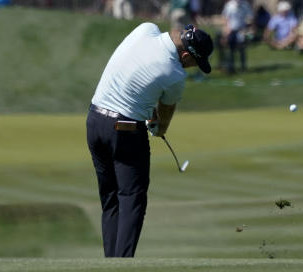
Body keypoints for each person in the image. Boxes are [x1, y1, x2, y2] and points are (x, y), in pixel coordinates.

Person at [87, 22, 213, 258]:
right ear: (186, 55)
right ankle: (121, 265)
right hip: (124, 130)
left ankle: (109, 264)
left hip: (94, 120)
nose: (192, 66)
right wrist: (158, 128)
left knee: (111, 198)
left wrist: (145, 108)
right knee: (132, 199)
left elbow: (136, 73)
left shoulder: (146, 29)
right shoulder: (175, 75)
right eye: (195, 62)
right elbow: (164, 114)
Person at [220, 0, 251, 74]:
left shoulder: (245, 5)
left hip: (241, 30)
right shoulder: (229, 5)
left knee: (242, 49)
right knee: (231, 49)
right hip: (231, 30)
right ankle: (231, 67)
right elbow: (225, 18)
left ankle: (243, 67)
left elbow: (249, 18)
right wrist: (226, 29)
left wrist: (247, 28)